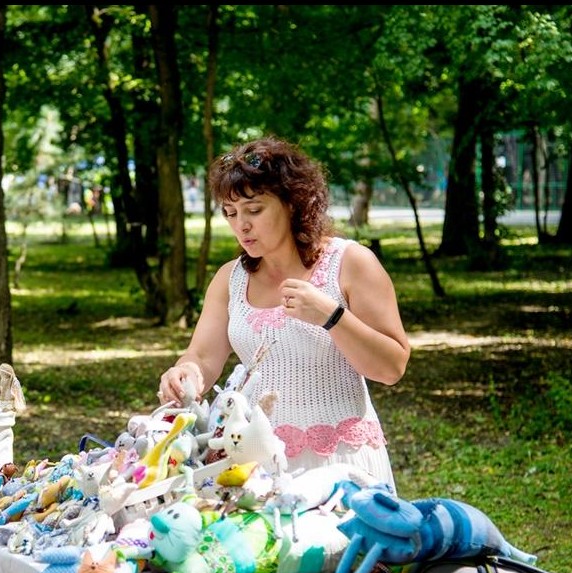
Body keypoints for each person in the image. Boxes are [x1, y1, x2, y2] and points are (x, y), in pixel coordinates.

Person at [157, 137, 410, 489]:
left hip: (341, 465)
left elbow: (392, 367)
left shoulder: (350, 263)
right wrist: (185, 374)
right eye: (231, 213)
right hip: (253, 466)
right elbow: (202, 356)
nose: (241, 225)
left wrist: (331, 315)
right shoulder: (230, 279)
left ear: (293, 203)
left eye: (254, 210)